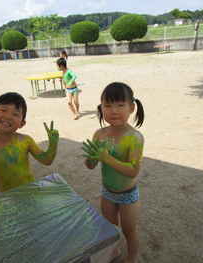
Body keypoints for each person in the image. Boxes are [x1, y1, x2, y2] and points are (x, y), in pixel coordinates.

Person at [83, 82, 145, 263]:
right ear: (101, 108)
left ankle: (132, 258)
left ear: (131, 107)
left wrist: (107, 158)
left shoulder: (134, 138)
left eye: (120, 105)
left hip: (128, 195)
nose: (114, 111)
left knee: (129, 230)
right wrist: (92, 158)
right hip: (107, 192)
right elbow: (90, 165)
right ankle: (114, 250)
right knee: (109, 227)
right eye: (108, 105)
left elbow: (133, 171)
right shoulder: (99, 134)